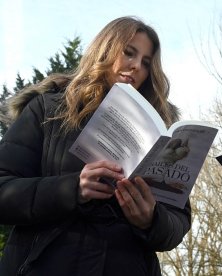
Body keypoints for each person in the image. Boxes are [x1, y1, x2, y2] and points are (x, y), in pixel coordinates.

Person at [0, 16, 191, 275]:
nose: (136, 66)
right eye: (129, 53)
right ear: (105, 48)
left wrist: (151, 219)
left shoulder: (160, 134)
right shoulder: (47, 110)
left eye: (146, 63)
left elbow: (177, 221)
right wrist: (73, 188)